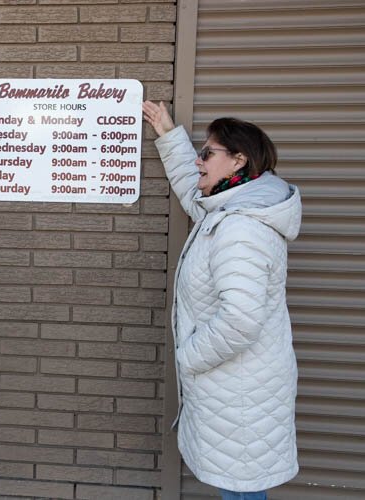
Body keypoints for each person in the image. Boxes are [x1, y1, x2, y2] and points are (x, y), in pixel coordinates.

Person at [142, 101, 301, 499]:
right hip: (240, 390)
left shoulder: (241, 229)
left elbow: (240, 319)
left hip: (240, 395)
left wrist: (189, 355)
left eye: (207, 153)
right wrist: (168, 134)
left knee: (241, 490)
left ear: (238, 161)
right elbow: (195, 196)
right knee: (240, 487)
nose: (199, 161)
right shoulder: (232, 210)